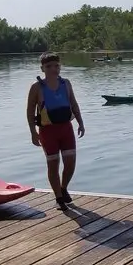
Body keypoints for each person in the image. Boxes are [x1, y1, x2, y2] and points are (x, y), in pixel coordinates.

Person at [27, 52, 86, 211]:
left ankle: (63, 187)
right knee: (53, 165)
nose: (53, 69)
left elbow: (73, 103)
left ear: (60, 66)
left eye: (56, 65)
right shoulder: (37, 87)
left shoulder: (66, 83)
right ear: (42, 68)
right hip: (48, 131)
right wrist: (33, 132)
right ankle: (59, 198)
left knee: (70, 164)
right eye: (49, 66)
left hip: (66, 128)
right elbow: (30, 110)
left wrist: (80, 123)